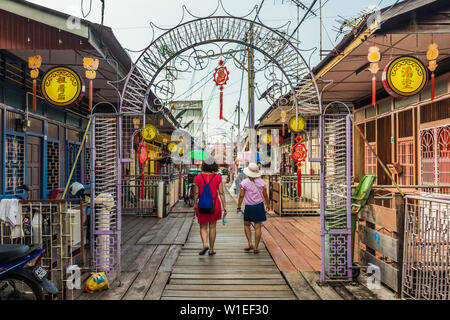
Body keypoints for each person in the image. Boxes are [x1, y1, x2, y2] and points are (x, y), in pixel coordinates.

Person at [193, 158, 227, 255]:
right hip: (214, 205)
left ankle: (205, 244)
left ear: (204, 165)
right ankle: (211, 249)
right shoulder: (218, 177)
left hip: (202, 205)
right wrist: (224, 206)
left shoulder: (198, 177)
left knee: (203, 227)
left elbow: (196, 193)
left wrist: (195, 204)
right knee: (212, 227)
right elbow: (221, 193)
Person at [237, 163, 270, 254]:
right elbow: (265, 195)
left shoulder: (244, 182)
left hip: (249, 207)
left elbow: (241, 195)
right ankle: (256, 247)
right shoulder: (262, 182)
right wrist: (268, 204)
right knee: (258, 227)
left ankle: (250, 243)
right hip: (259, 206)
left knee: (246, 225)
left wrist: (239, 206)